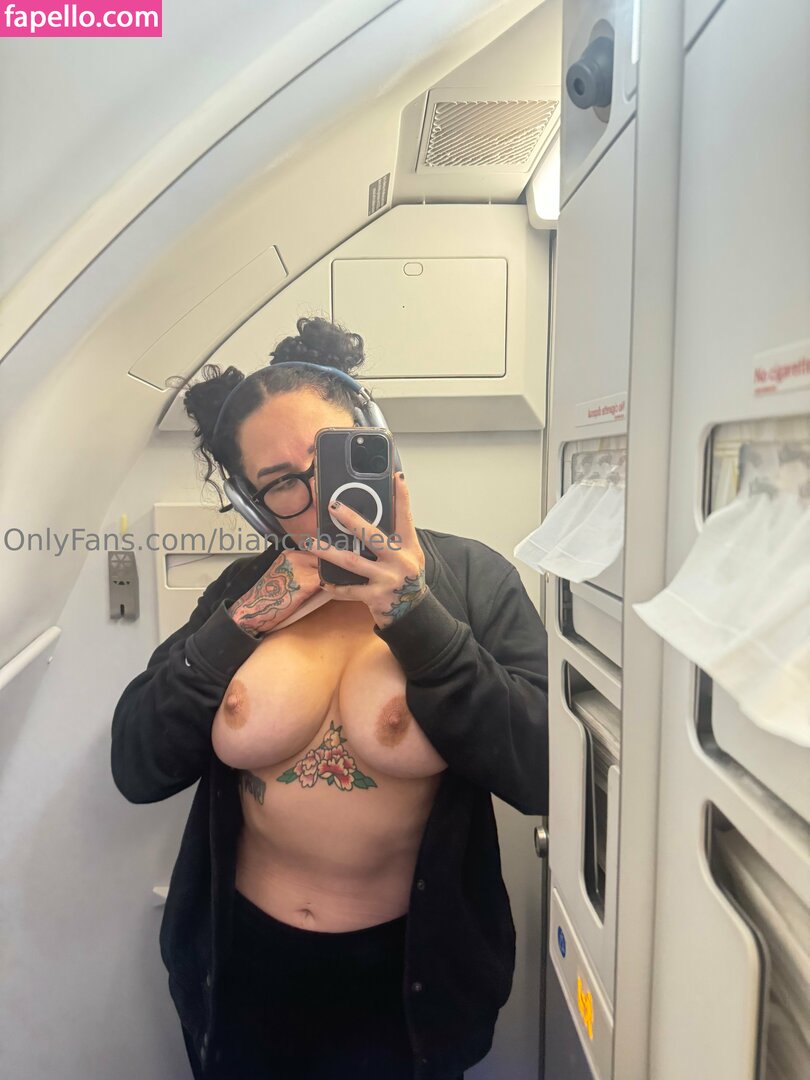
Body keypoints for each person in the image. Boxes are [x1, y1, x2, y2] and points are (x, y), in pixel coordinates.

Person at [110, 316, 550, 1080]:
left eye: (332, 458)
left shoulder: (475, 581)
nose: (318, 497)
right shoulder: (241, 590)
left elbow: (545, 771)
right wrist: (246, 619)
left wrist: (415, 617)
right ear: (255, 505)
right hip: (241, 977)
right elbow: (137, 763)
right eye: (282, 482)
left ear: (376, 445)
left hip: (407, 989)